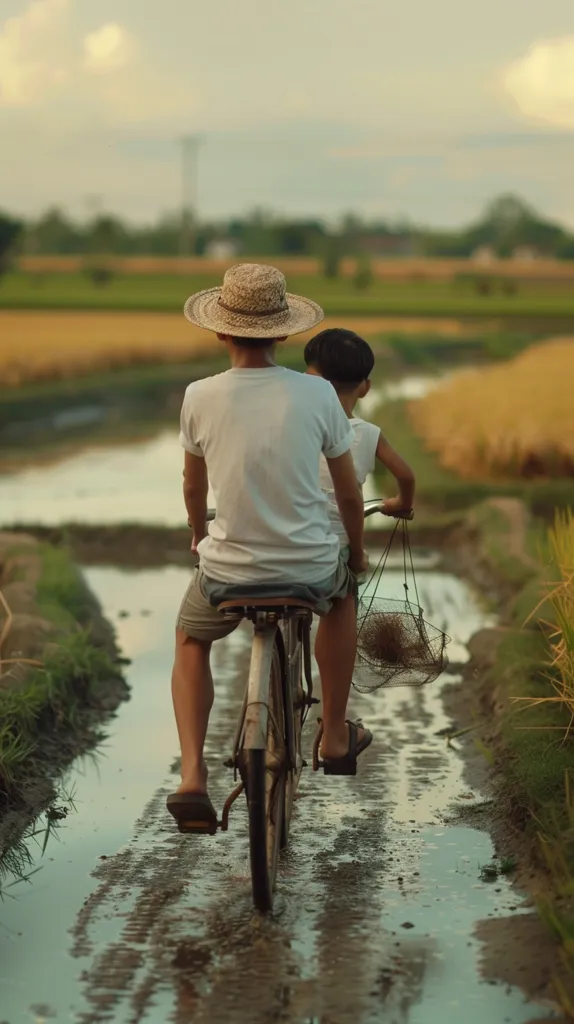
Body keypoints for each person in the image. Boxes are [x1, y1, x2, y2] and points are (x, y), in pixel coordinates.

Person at [167, 264, 373, 832]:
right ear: (284, 332)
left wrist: (197, 534)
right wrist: (353, 555)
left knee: (189, 638)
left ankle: (190, 775)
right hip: (308, 566)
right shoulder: (316, 394)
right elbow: (350, 491)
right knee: (343, 595)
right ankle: (333, 737)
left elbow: (193, 486)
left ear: (219, 331)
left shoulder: (199, 395)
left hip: (227, 570)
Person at [304, 328, 415, 543]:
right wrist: (402, 503)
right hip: (337, 543)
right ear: (365, 388)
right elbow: (406, 476)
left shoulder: (297, 425)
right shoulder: (370, 434)